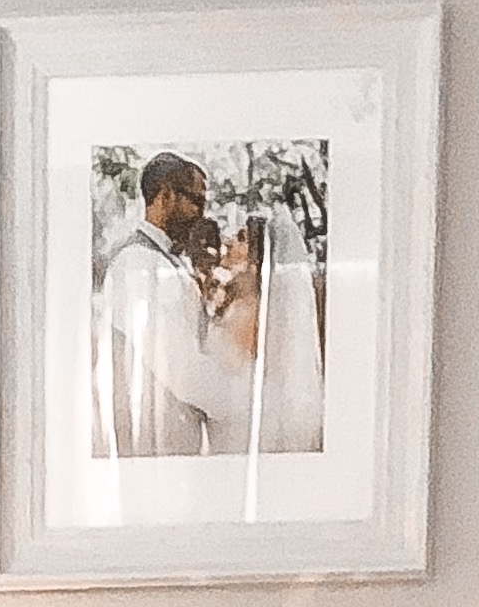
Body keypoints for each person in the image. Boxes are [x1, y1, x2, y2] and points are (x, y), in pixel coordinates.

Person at [96, 151, 235, 457]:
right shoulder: (138, 263)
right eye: (195, 201)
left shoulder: (162, 260)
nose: (201, 213)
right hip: (154, 444)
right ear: (166, 195)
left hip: (174, 440)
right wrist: (240, 404)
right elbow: (180, 368)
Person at [205, 211, 327, 457]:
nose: (229, 242)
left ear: (257, 259)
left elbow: (226, 374)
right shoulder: (243, 304)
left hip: (239, 429)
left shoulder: (250, 312)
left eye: (241, 238)